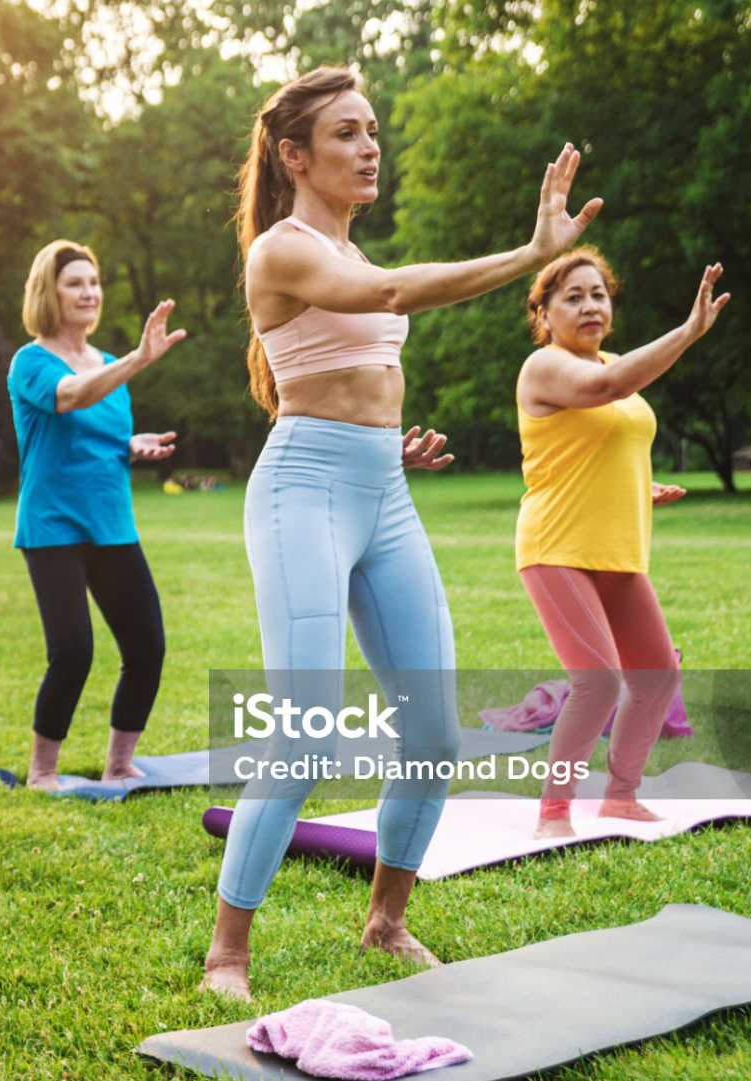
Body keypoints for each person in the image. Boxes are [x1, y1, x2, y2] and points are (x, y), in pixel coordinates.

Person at [202, 66, 600, 998]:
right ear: (294, 156)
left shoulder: (345, 254)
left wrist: (387, 447)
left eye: (373, 129)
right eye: (346, 133)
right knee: (303, 735)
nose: (369, 146)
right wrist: (528, 251)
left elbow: (360, 353)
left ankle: (385, 921)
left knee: (431, 732)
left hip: (380, 491)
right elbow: (385, 299)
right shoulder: (280, 251)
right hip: (300, 492)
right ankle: (228, 950)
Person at [516, 247, 727, 838]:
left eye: (598, 295)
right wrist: (687, 333)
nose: (590, 306)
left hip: (616, 549)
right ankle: (553, 812)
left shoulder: (612, 362)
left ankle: (621, 798)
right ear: (545, 313)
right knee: (600, 680)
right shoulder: (545, 367)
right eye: (573, 297)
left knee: (657, 674)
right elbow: (606, 386)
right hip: (557, 548)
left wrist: (639, 484)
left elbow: (603, 440)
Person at [7, 240, 183, 792]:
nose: (89, 292)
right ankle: (42, 772)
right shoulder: (30, 362)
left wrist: (132, 445)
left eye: (93, 282)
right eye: (74, 283)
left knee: (147, 647)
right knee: (73, 651)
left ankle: (119, 763)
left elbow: (95, 431)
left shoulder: (107, 365)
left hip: (111, 523)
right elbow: (69, 399)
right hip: (53, 526)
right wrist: (139, 359)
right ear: (49, 293)